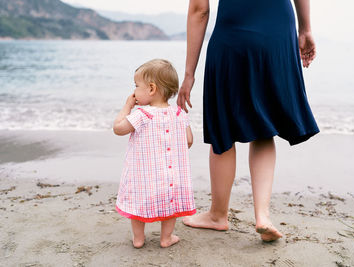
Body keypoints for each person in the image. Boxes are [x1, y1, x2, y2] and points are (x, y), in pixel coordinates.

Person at [177, 0, 319, 242]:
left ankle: (218, 215)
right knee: (264, 127)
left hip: (233, 35)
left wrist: (189, 73)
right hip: (278, 33)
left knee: (223, 128)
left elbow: (199, 9)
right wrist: (305, 29)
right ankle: (262, 216)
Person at [113, 59, 196, 248]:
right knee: (170, 206)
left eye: (136, 86)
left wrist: (127, 106)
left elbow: (118, 128)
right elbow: (189, 141)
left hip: (144, 177)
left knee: (138, 205)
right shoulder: (179, 114)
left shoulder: (142, 115)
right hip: (171, 177)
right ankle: (166, 238)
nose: (133, 91)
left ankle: (139, 239)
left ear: (151, 89)